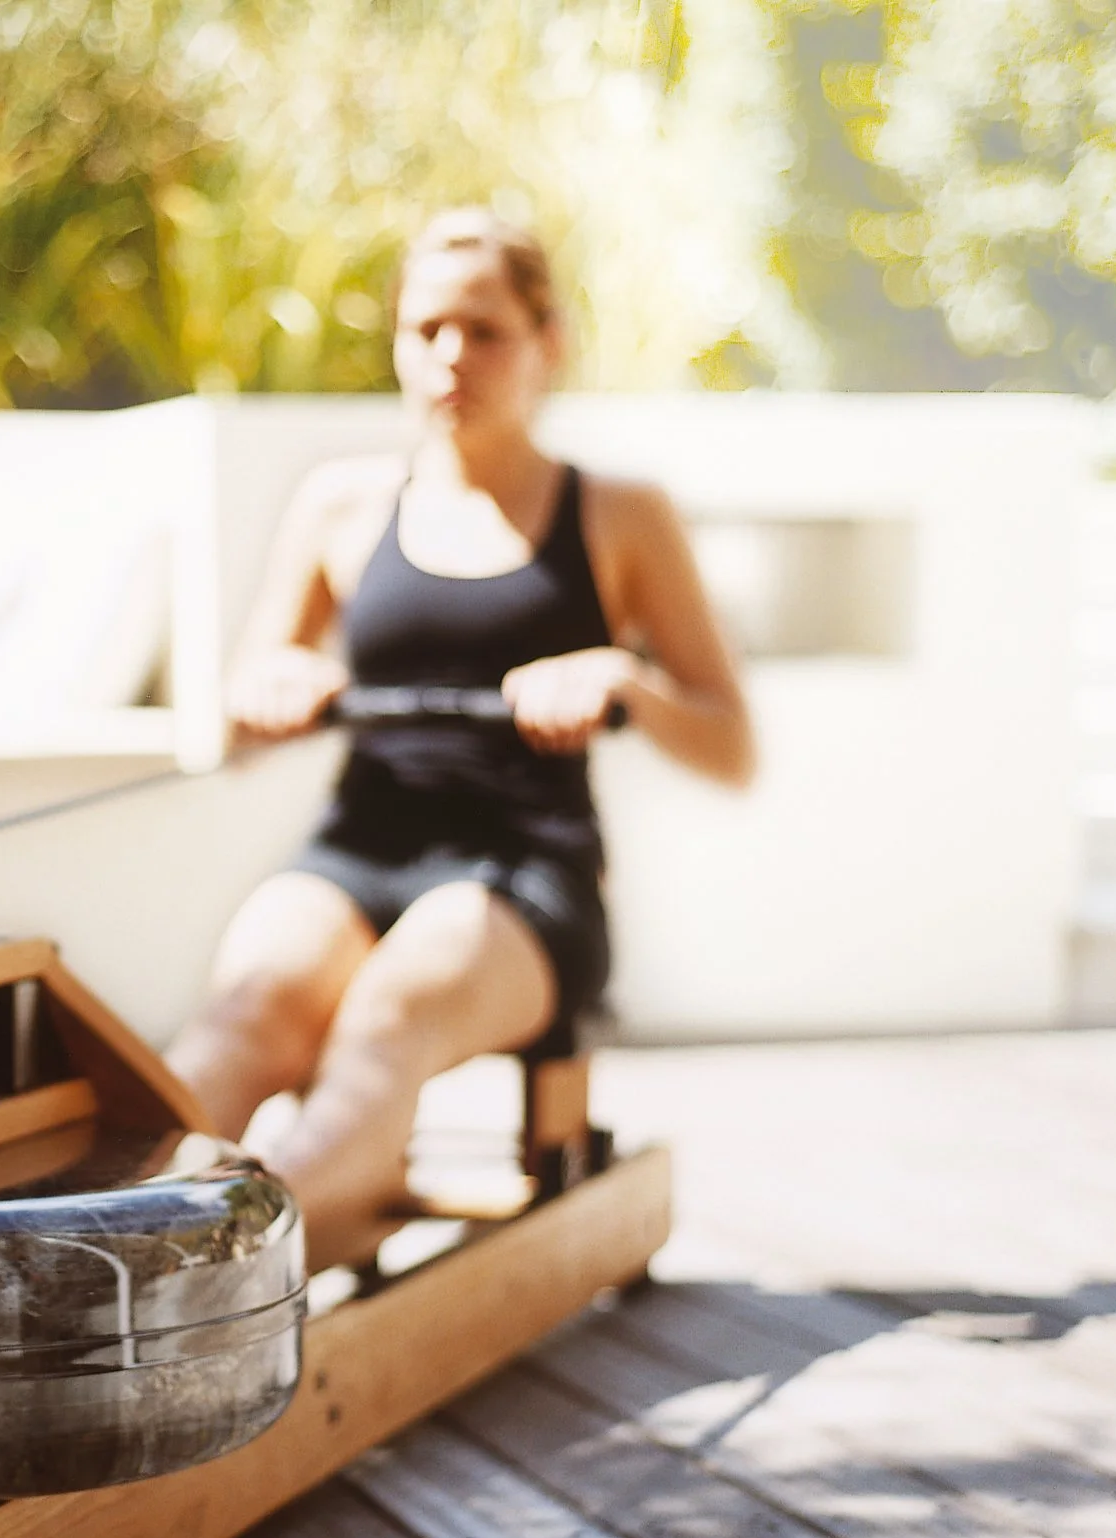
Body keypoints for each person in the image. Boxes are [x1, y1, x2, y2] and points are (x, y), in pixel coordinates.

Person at [163, 208, 754, 1272]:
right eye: (425, 328)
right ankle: (96, 1240)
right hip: (358, 850)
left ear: (547, 342)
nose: (451, 357)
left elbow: (728, 744)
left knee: (387, 1013)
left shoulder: (618, 514)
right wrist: (268, 689)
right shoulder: (340, 504)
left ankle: (221, 1260)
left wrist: (622, 679)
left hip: (525, 872)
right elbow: (235, 724)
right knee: (243, 1014)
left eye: (484, 331)